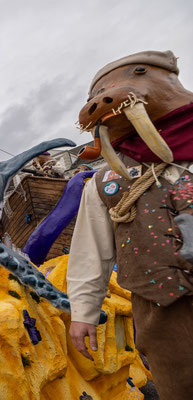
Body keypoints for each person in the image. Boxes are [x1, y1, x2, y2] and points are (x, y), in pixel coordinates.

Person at [67, 50, 193, 400]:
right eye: (97, 94)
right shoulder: (104, 182)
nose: (102, 100)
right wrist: (83, 313)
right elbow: (90, 251)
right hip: (160, 314)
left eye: (138, 74)